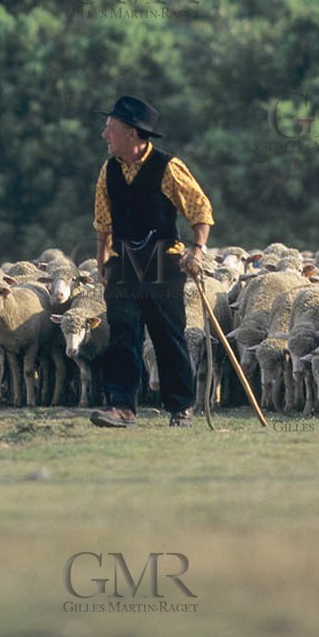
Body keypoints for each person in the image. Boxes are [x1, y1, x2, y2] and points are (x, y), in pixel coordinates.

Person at [89, 95, 213, 429]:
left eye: (110, 128)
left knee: (167, 334)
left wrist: (197, 249)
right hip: (124, 261)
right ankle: (122, 407)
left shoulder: (168, 167)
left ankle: (181, 406)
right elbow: (103, 219)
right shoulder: (110, 169)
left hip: (163, 261)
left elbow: (200, 210)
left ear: (131, 133)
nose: (104, 135)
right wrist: (102, 260)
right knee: (123, 334)